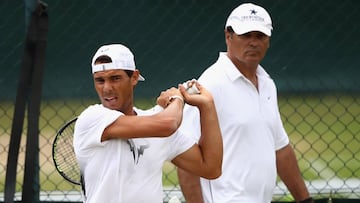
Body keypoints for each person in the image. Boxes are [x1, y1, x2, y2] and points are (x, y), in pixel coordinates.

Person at [177, 3, 314, 203]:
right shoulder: (209, 84)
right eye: (246, 35)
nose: (253, 42)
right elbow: (185, 156)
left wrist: (305, 200)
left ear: (268, 41)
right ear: (228, 36)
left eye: (260, 36)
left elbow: (280, 148)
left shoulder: (267, 83)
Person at [73, 43, 223, 203]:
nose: (107, 88)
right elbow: (168, 124)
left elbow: (211, 168)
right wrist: (177, 99)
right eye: (100, 80)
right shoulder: (92, 118)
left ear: (134, 77)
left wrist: (207, 106)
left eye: (115, 78)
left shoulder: (155, 123)